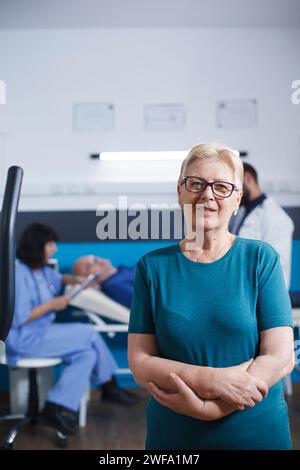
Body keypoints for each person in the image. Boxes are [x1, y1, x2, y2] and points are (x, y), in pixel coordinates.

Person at [128, 143, 294, 450]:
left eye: (221, 187)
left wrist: (211, 409)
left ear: (237, 199)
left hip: (256, 432)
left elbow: (280, 355)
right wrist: (213, 381)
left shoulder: (260, 259)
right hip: (175, 436)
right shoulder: (152, 268)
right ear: (180, 193)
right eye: (196, 184)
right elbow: (140, 361)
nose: (208, 195)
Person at [5, 223, 139, 436]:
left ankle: (55, 407)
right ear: (37, 246)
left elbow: (58, 280)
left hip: (40, 335)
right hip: (24, 340)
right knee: (88, 333)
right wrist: (52, 304)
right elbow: (19, 318)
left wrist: (74, 279)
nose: (55, 249)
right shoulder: (19, 275)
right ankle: (109, 386)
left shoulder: (42, 271)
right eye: (51, 244)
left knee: (85, 355)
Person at [230, 162, 294, 288]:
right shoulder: (240, 212)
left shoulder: (276, 217)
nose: (233, 190)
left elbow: (277, 265)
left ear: (248, 178)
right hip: (238, 286)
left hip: (260, 292)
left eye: (235, 185)